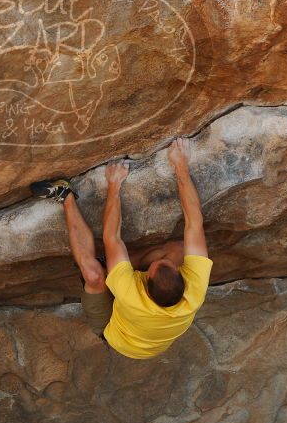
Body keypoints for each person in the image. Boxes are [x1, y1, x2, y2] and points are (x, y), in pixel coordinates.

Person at [30, 137, 213, 360]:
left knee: (93, 274)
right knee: (180, 250)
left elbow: (112, 238)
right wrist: (180, 165)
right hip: (144, 320)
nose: (157, 262)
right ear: (183, 280)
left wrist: (114, 185)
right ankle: (114, 267)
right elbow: (194, 224)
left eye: (151, 268)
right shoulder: (195, 290)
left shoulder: (130, 292)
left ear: (144, 282)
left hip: (117, 333)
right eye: (172, 267)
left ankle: (64, 195)